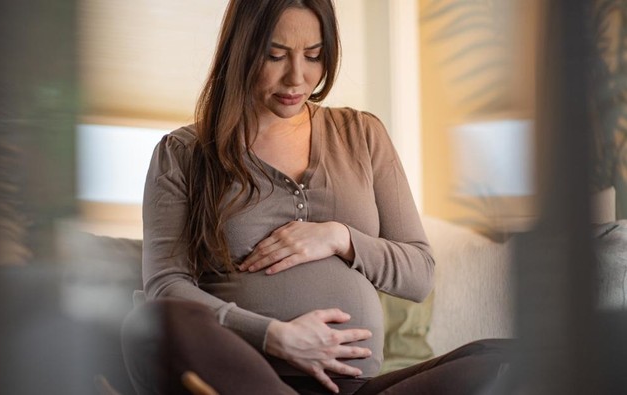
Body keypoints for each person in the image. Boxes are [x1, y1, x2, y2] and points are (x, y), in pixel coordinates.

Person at [122, 0, 510, 394]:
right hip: (246, 378)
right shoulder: (184, 153)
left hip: (357, 386)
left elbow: (420, 275)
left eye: (313, 56)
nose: (297, 78)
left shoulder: (362, 134)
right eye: (275, 55)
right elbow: (166, 285)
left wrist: (339, 238)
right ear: (241, 51)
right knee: (154, 322)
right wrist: (274, 336)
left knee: (505, 358)